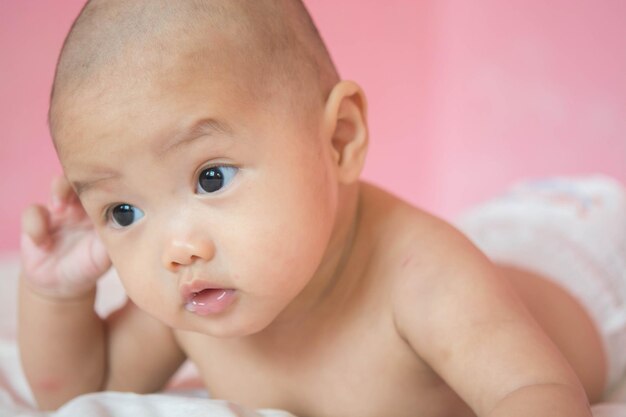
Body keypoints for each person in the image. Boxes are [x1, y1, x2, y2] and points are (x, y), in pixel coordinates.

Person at [17, 1, 625, 416]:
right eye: (124, 212)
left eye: (211, 177)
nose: (176, 249)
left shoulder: (423, 278)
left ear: (338, 138)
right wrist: (55, 295)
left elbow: (537, 390)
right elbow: (77, 394)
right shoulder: (194, 304)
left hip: (582, 255)